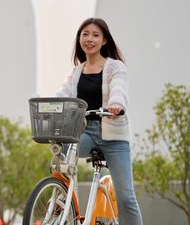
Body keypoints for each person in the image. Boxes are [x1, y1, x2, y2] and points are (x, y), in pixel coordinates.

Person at [55, 18, 143, 225]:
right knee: (61, 146)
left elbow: (119, 88)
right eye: (85, 34)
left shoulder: (115, 67)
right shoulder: (76, 72)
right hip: (87, 133)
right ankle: (62, 194)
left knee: (126, 197)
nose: (89, 39)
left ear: (104, 40)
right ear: (79, 39)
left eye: (95, 35)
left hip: (114, 137)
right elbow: (62, 94)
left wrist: (116, 104)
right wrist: (50, 106)